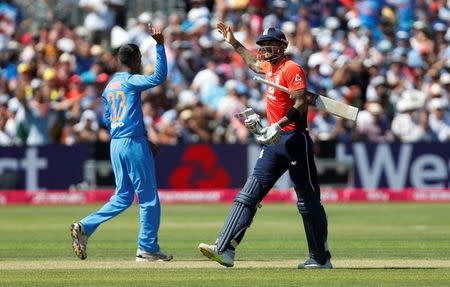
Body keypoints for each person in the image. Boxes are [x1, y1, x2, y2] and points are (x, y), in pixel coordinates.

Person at [198, 22, 332, 269]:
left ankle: (320, 258)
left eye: (271, 44)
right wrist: (234, 41)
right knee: (248, 194)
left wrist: (278, 125)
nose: (266, 49)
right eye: (263, 45)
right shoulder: (268, 67)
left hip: (294, 139)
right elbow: (252, 62)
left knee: (307, 201)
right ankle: (225, 249)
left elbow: (301, 103)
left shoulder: (292, 68)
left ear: (283, 46)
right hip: (273, 142)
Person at [70, 26, 173, 262]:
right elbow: (159, 77)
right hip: (132, 142)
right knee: (148, 198)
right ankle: (147, 248)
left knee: (123, 196)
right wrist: (159, 45)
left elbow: (108, 119)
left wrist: (141, 137)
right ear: (136, 60)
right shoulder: (130, 80)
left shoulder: (110, 85)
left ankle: (85, 227)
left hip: (116, 143)